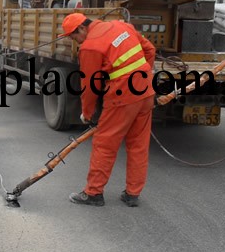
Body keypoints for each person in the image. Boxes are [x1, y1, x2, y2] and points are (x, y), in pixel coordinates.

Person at [60, 13, 156, 207]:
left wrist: (87, 113)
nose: (75, 42)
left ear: (81, 28)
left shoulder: (90, 46)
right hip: (145, 92)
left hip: (123, 96)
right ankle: (132, 194)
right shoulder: (123, 26)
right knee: (138, 145)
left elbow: (89, 84)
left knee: (104, 144)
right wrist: (143, 77)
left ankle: (94, 193)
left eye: (73, 37)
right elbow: (150, 50)